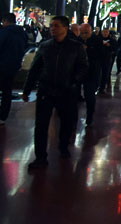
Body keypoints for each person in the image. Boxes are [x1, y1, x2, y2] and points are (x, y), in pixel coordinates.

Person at [22, 16, 88, 169]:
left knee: (66, 122)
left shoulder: (75, 47)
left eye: (56, 26)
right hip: (46, 90)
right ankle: (40, 157)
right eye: (52, 25)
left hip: (66, 91)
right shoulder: (45, 46)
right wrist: (27, 89)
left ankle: (63, 146)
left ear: (65, 28)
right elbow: (35, 69)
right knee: (41, 125)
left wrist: (73, 82)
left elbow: (83, 67)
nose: (53, 28)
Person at [0, 13, 27, 124]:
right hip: (14, 66)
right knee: (7, 91)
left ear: (5, 21)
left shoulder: (4, 32)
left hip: (2, 65)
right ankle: (3, 116)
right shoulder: (22, 33)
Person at [79, 23, 104, 127]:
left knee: (89, 95)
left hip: (92, 72)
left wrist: (88, 49)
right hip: (78, 72)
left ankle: (89, 116)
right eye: (82, 33)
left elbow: (100, 55)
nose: (84, 35)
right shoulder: (77, 41)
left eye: (86, 33)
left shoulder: (97, 40)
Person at [97, 27, 117, 95]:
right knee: (98, 72)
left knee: (105, 73)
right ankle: (98, 86)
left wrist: (109, 46)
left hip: (107, 59)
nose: (105, 33)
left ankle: (102, 87)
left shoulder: (112, 40)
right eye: (104, 32)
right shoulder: (98, 39)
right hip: (98, 58)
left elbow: (114, 49)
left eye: (107, 32)